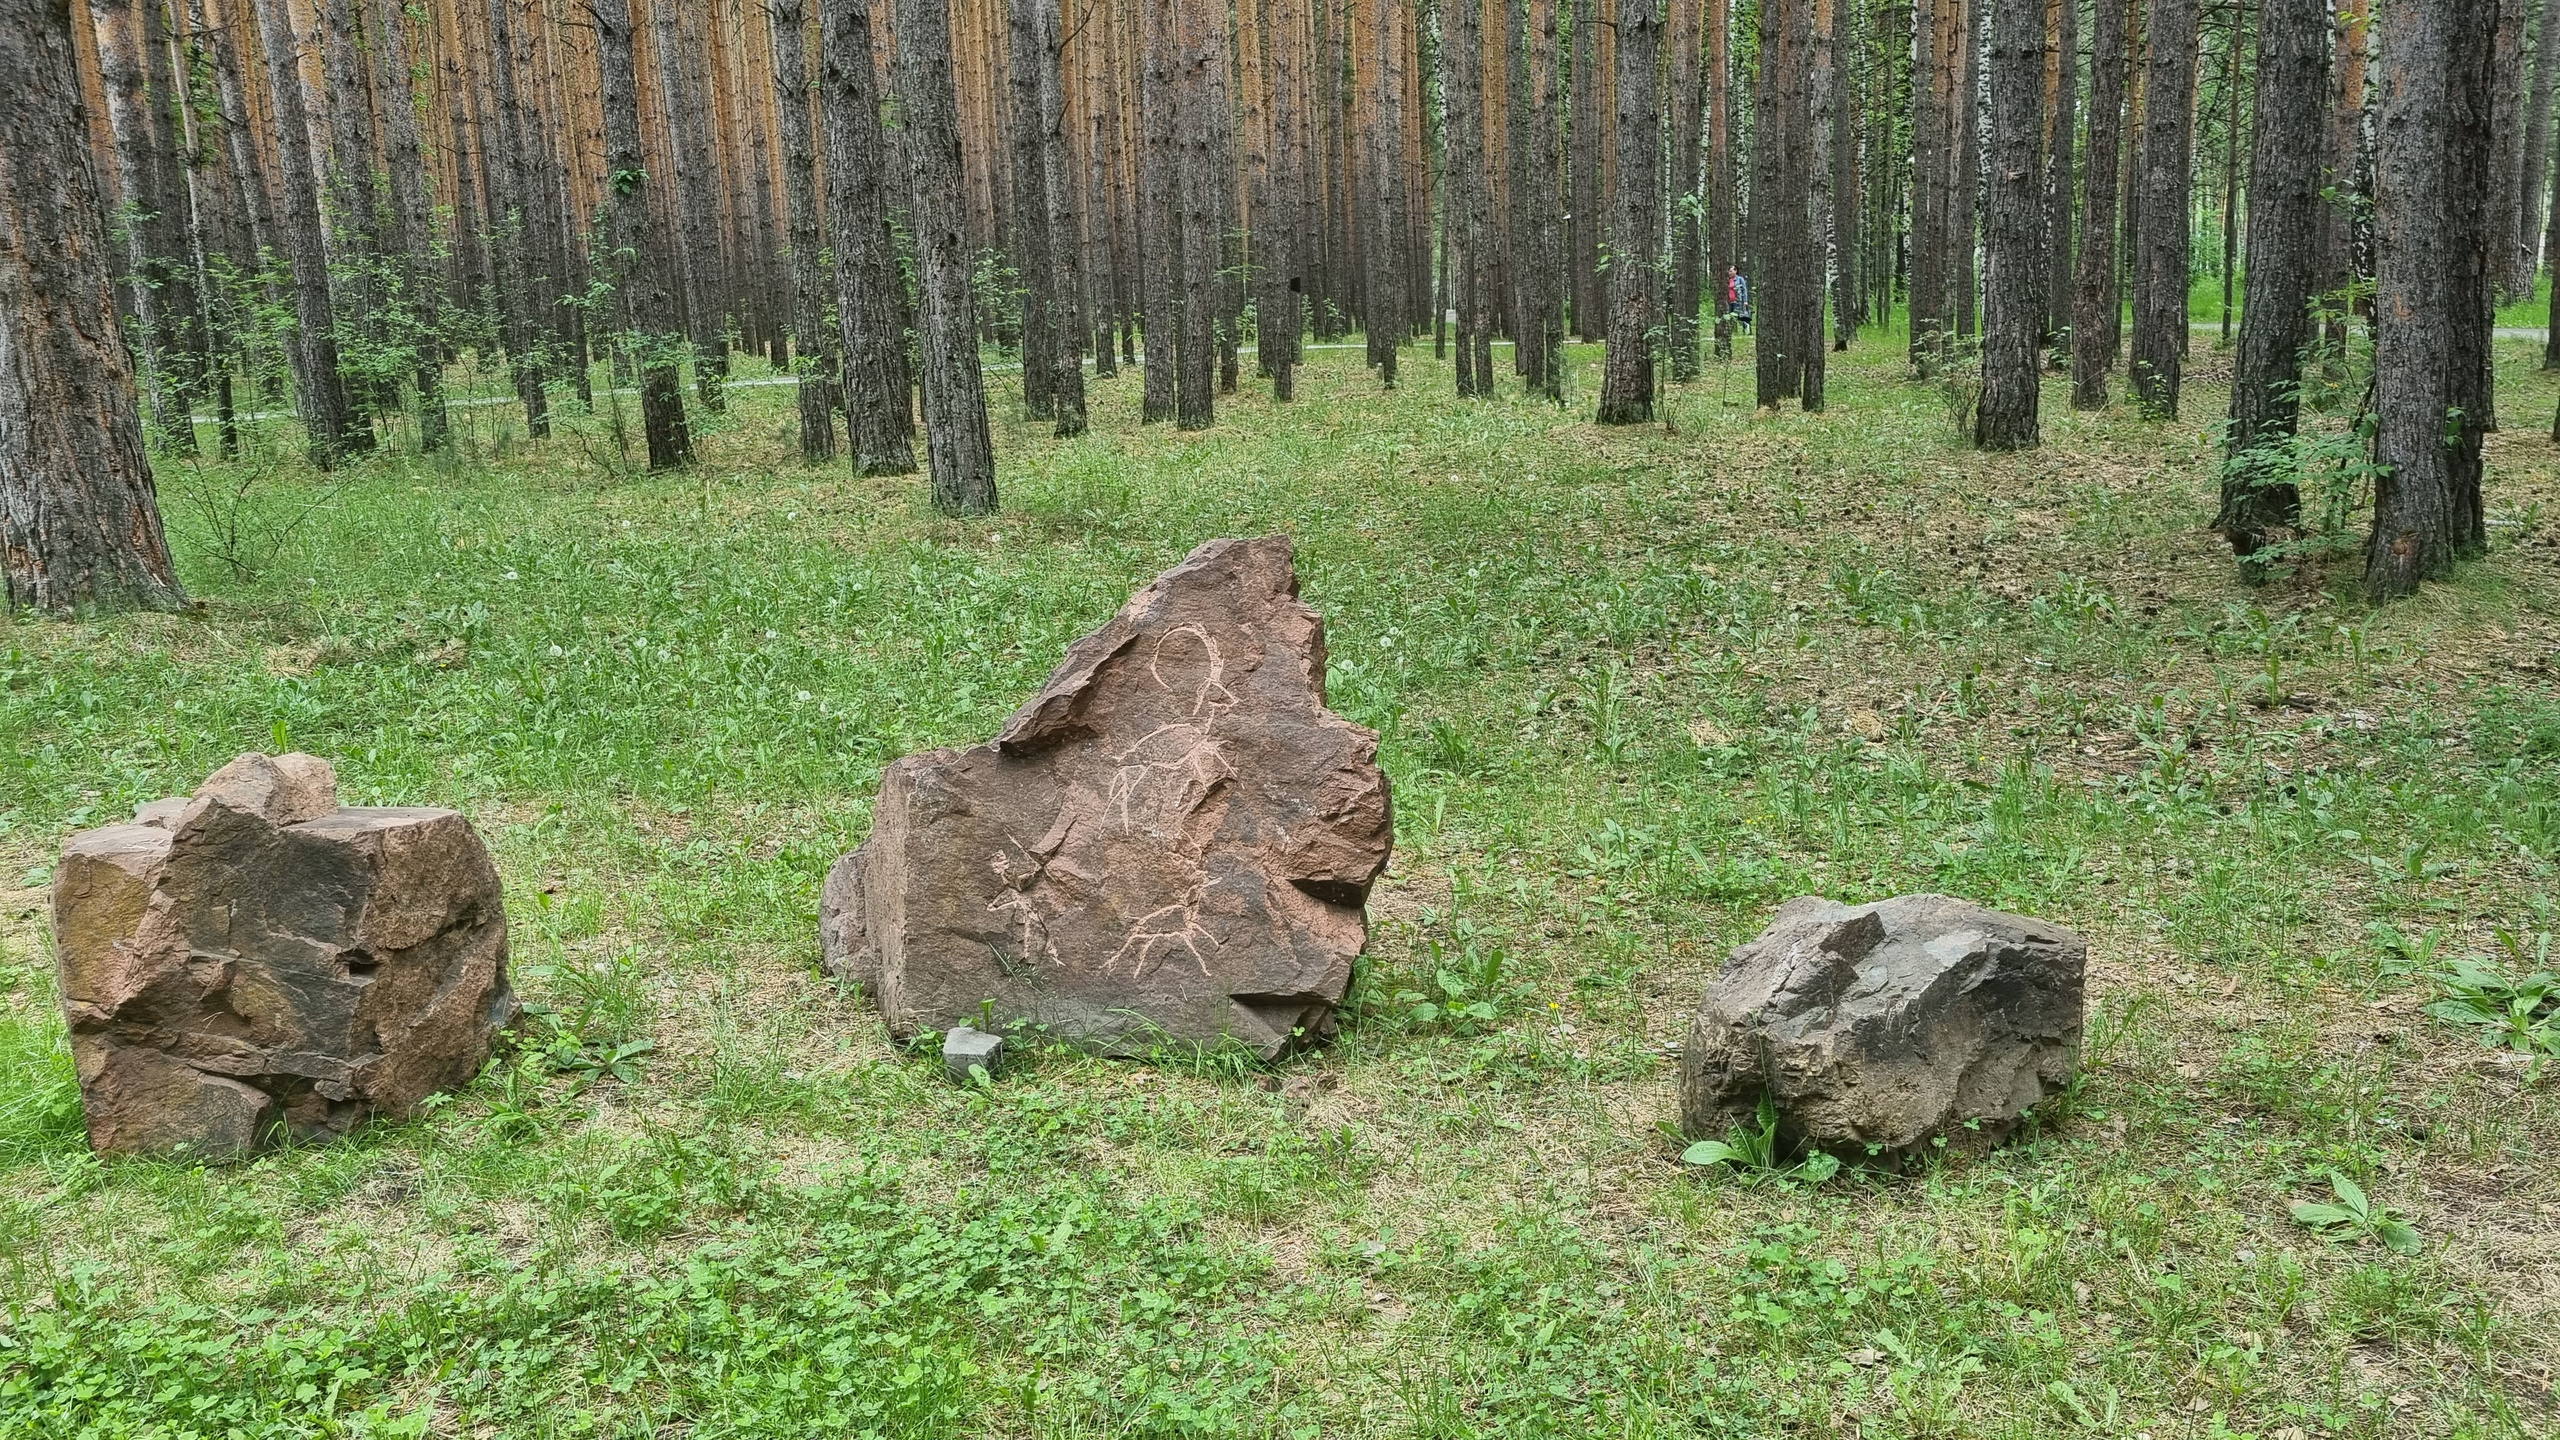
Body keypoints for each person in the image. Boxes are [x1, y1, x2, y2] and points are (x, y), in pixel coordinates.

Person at [1726, 267, 1753, 335]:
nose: (1730, 273)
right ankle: (1732, 331)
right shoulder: (1728, 280)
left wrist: (1745, 300)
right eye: (1729, 271)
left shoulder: (1740, 279)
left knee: (1739, 315)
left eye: (1731, 271)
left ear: (1735, 271)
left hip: (1738, 300)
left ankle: (1746, 326)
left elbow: (1744, 290)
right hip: (1729, 301)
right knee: (1731, 316)